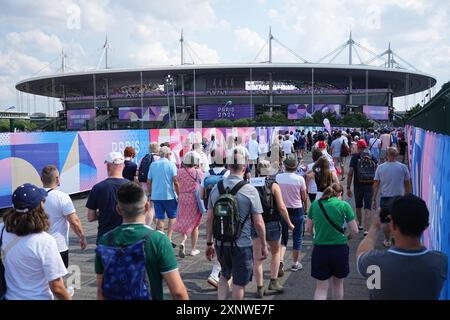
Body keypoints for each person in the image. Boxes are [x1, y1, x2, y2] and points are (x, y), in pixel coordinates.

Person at [95, 182, 189, 300]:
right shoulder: (158, 240)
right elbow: (178, 292)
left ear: (118, 210)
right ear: (146, 207)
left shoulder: (105, 240)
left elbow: (100, 291)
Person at [205, 146, 267, 300]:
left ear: (228, 166)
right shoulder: (250, 190)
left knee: (224, 276)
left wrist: (209, 243)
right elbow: (258, 222)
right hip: (242, 243)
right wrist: (263, 244)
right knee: (239, 283)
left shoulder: (216, 189)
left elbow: (209, 219)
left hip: (221, 242)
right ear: (244, 166)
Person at [357, 195, 447, 300]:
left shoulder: (374, 262)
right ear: (426, 226)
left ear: (393, 226)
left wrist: (375, 227)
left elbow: (361, 253)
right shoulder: (439, 262)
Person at [0, 184, 71, 300]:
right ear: (39, 207)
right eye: (42, 201)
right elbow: (57, 287)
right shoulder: (45, 241)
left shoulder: (2, 230)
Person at [306, 183, 359, 300]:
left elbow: (308, 228)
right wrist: (347, 238)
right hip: (339, 249)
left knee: (321, 287)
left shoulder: (315, 204)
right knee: (338, 284)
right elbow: (355, 230)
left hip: (320, 249)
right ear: (339, 194)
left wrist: (315, 237)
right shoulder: (344, 205)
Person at [251, 160, 295, 298]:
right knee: (275, 252)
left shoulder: (250, 184)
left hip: (256, 223)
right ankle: (273, 282)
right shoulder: (273, 185)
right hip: (272, 223)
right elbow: (281, 207)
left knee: (257, 257)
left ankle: (259, 287)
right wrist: (289, 223)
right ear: (269, 171)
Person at [41, 165, 87, 268]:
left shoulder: (35, 196)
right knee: (57, 280)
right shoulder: (62, 197)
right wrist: (82, 237)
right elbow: (74, 221)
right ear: (57, 179)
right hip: (58, 247)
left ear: (41, 179)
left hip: (38, 246)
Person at [372, 147, 412, 247]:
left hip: (385, 197)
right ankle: (397, 238)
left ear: (387, 155)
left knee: (385, 221)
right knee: (398, 219)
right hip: (399, 198)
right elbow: (407, 184)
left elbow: (376, 184)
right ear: (396, 155)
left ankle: (387, 240)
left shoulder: (380, 167)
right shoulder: (403, 167)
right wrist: (408, 197)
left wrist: (373, 199)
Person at [276, 154, 308, 275]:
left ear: (284, 165)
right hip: (297, 209)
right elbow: (304, 197)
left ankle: (280, 259)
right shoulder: (300, 179)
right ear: (296, 166)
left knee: (283, 236)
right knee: (297, 237)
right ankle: (295, 263)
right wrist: (305, 209)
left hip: (282, 209)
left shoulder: (278, 177)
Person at [87, 152, 129, 244]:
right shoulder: (132, 187)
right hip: (127, 236)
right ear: (123, 166)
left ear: (108, 166)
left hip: (105, 236)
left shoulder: (98, 188)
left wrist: (103, 213)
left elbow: (90, 217)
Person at [148, 146, 180, 248]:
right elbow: (175, 181)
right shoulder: (171, 164)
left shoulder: (153, 165)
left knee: (159, 218)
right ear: (167, 154)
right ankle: (169, 238)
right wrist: (179, 194)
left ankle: (161, 239)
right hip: (169, 195)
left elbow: (149, 181)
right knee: (172, 217)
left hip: (156, 196)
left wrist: (150, 193)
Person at [173, 152, 203, 258]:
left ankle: (183, 242)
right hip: (193, 199)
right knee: (195, 224)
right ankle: (193, 249)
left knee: (184, 221)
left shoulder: (179, 171)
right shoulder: (197, 172)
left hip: (182, 197)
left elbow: (175, 182)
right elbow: (202, 183)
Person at [347, 140, 378, 236]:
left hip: (358, 185)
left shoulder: (355, 157)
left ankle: (360, 224)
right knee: (368, 207)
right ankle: (366, 229)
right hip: (369, 184)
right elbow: (376, 169)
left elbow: (350, 173)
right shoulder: (371, 156)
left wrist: (348, 187)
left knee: (358, 206)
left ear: (358, 147)